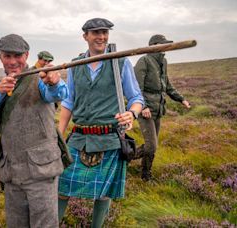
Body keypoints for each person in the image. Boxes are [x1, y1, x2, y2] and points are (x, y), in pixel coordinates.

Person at [0, 34, 68, 227]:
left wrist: (55, 82)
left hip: (41, 171)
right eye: (7, 56)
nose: (13, 61)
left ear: (26, 55)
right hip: (11, 172)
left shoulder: (40, 78)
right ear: (0, 57)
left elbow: (58, 93)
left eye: (18, 56)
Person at [57, 18, 144, 227]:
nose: (101, 37)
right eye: (95, 32)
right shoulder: (75, 65)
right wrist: (58, 136)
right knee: (61, 186)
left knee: (104, 193)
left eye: (104, 32)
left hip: (109, 138)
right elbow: (69, 101)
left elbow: (136, 98)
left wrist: (131, 114)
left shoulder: (121, 62)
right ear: (85, 36)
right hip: (79, 137)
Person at [134, 34, 191, 181]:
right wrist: (143, 106)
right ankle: (134, 163)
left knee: (152, 145)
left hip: (158, 108)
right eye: (163, 44)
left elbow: (167, 85)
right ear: (154, 46)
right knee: (151, 146)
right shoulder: (144, 61)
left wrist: (181, 99)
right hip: (145, 110)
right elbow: (136, 88)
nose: (166, 47)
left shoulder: (163, 62)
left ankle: (140, 169)